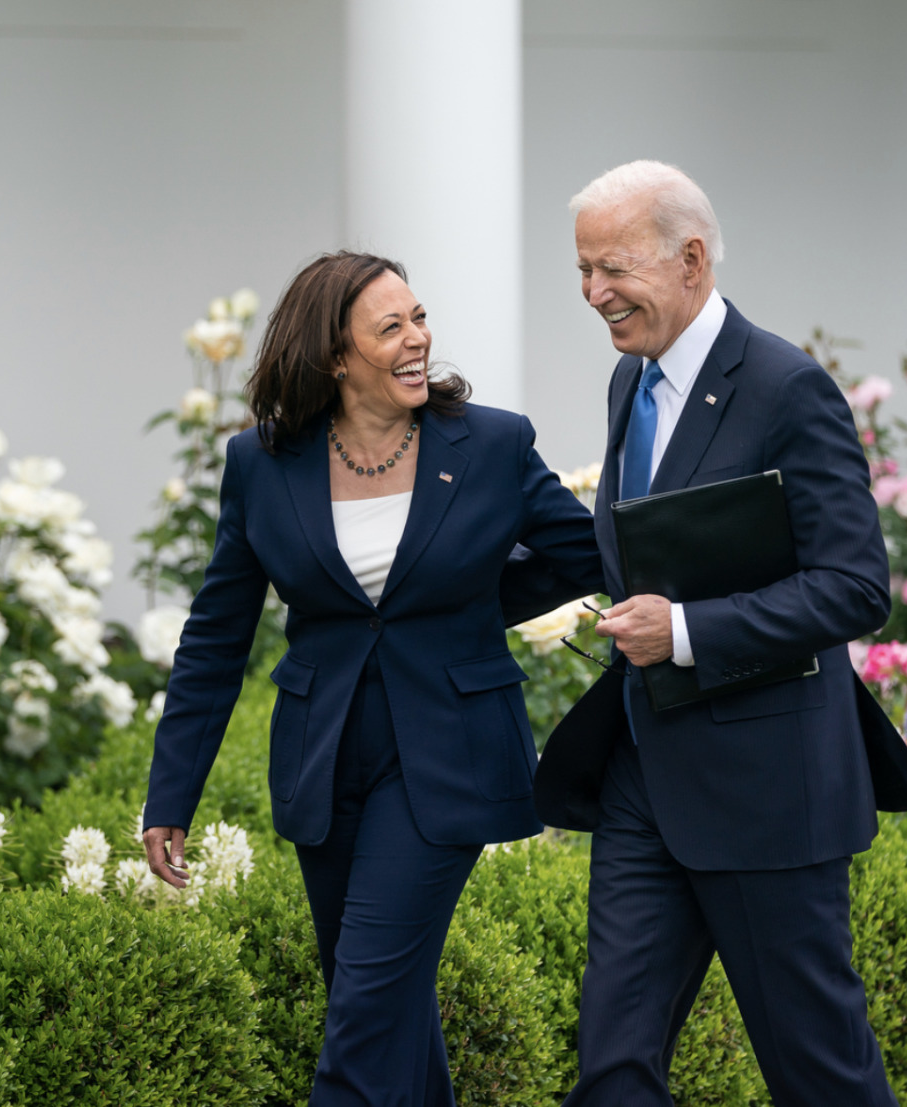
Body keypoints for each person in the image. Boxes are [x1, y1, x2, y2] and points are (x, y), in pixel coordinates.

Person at [141, 250, 603, 1106]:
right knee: (385, 1007)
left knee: (360, 1017)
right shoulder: (262, 462)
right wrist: (170, 794)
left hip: (447, 756)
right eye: (391, 327)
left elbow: (583, 553)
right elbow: (215, 636)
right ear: (333, 355)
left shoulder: (492, 443)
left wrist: (473, 605)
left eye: (419, 318)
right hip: (326, 760)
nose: (418, 338)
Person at [526, 161, 907, 1106]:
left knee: (819, 1075)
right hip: (644, 779)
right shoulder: (629, 381)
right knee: (614, 1068)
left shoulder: (789, 387)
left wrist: (685, 631)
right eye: (582, 270)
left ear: (692, 260)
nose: (594, 293)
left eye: (613, 269)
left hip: (769, 787)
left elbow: (853, 587)